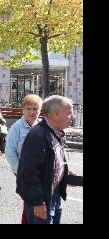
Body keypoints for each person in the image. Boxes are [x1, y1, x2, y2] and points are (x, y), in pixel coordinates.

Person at [16, 95, 76, 224]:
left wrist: (64, 173)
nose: (72, 116)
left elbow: (51, 162)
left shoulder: (55, 132)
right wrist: (38, 202)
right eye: (69, 113)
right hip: (42, 199)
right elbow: (28, 173)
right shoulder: (38, 135)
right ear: (56, 114)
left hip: (54, 194)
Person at [5, 94, 43, 223]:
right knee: (30, 202)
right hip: (25, 173)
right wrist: (19, 171)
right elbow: (10, 153)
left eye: (35, 109)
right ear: (23, 110)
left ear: (40, 110)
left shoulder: (41, 126)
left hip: (40, 173)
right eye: (28, 109)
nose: (32, 112)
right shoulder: (16, 128)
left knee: (35, 204)